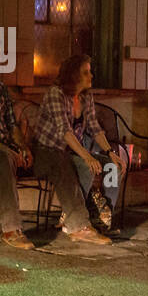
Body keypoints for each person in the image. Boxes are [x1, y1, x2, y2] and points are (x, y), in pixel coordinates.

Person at [0, 38, 110, 248]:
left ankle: (78, 226)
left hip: (9, 151)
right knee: (3, 159)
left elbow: (12, 125)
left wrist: (23, 148)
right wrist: (7, 149)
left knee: (57, 159)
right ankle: (11, 230)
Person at [35, 54, 127, 234]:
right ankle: (71, 215)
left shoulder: (86, 96)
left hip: (72, 152)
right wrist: (87, 156)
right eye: (86, 73)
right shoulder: (57, 93)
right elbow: (65, 132)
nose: (91, 76)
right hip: (50, 152)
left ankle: (103, 216)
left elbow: (94, 127)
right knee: (86, 166)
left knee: (112, 167)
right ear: (73, 76)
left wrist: (110, 153)